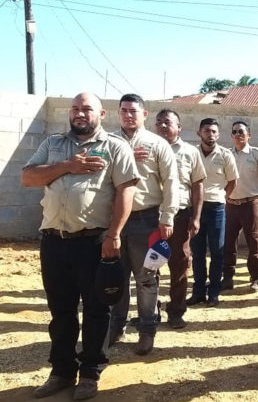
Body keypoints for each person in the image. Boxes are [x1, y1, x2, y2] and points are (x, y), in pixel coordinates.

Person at [22, 92, 139, 400]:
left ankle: (90, 373)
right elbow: (29, 178)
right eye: (75, 108)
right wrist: (67, 166)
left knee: (97, 309)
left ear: (101, 113)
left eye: (87, 108)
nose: (79, 113)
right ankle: (61, 372)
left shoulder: (116, 146)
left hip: (94, 242)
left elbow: (125, 192)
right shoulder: (52, 145)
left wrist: (114, 234)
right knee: (60, 311)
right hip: (54, 241)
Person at [110, 93, 179, 356]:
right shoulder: (108, 142)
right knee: (116, 276)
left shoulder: (156, 144)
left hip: (146, 220)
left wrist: (167, 217)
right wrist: (125, 154)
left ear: (144, 115)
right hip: (114, 221)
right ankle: (117, 326)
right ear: (119, 113)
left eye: (134, 111)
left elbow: (172, 182)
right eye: (124, 110)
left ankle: (147, 330)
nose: (129, 115)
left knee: (147, 278)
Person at [154, 109, 207, 328]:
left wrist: (196, 217)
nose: (162, 126)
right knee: (150, 265)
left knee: (179, 264)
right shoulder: (148, 148)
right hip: (151, 216)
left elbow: (197, 186)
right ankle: (151, 312)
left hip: (180, 216)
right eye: (159, 123)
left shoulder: (190, 152)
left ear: (179, 127)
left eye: (167, 122)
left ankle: (176, 311)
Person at [188, 118, 238, 307]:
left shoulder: (225, 155)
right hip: (194, 208)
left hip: (216, 207)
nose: (211, 135)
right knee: (197, 251)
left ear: (218, 134)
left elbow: (232, 181)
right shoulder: (192, 153)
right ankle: (198, 292)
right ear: (199, 132)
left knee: (217, 251)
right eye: (207, 131)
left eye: (214, 132)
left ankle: (214, 292)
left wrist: (223, 198)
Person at [223, 121, 258, 292]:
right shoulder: (226, 154)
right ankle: (228, 278)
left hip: (250, 204)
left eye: (242, 132)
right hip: (230, 205)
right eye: (235, 131)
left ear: (248, 135)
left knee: (255, 242)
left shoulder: (256, 153)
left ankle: (255, 278)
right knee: (228, 242)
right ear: (232, 135)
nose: (238, 134)